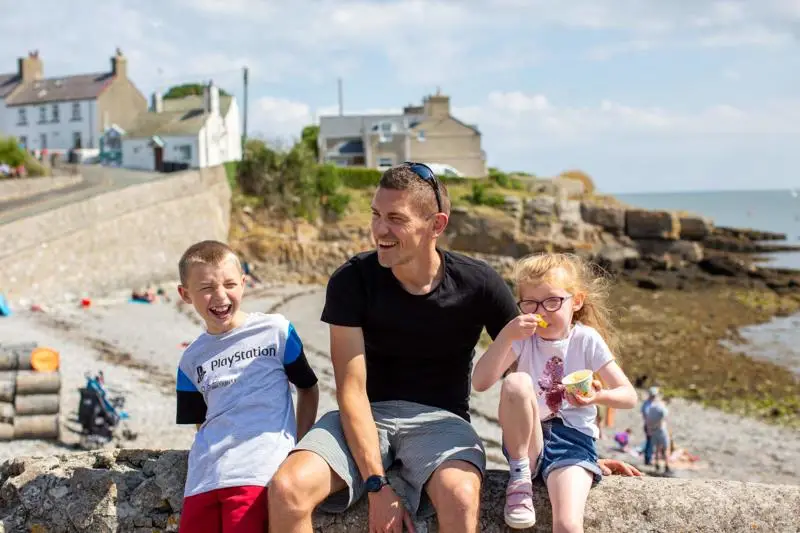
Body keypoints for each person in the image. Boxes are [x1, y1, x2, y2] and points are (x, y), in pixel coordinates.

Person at [268, 164, 640, 533]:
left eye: (396, 218)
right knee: (287, 489)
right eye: (376, 215)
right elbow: (351, 390)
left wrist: (573, 454)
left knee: (461, 496)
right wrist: (377, 485)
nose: (380, 229)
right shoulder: (352, 280)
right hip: (366, 415)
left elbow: (531, 375)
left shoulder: (478, 284)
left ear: (437, 225)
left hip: (443, 421)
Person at [472, 253, 638, 532]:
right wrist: (506, 336)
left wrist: (596, 398)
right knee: (515, 382)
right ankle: (520, 478)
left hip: (573, 442)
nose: (542, 312)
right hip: (527, 440)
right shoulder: (524, 339)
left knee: (568, 523)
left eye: (552, 301)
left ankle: (570, 467)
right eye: (530, 304)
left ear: (577, 301)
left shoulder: (585, 339)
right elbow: (480, 382)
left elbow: (628, 395)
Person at [174, 240, 320, 533]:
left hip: (258, 473)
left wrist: (298, 450)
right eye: (206, 288)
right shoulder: (189, 360)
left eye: (229, 284)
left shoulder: (275, 331)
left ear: (243, 283)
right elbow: (201, 424)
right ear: (185, 294)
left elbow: (308, 388)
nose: (220, 296)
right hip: (203, 479)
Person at [644, 391, 671, 474]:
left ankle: (657, 464)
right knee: (666, 448)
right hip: (661, 429)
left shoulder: (652, 407)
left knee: (657, 448)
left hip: (653, 430)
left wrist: (649, 430)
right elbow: (665, 417)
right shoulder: (662, 407)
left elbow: (647, 419)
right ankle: (667, 466)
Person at [641, 386, 659, 465]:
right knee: (650, 442)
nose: (654, 397)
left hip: (654, 425)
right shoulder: (647, 404)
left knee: (652, 442)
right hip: (649, 426)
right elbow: (646, 416)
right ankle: (648, 459)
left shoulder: (652, 403)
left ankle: (649, 458)